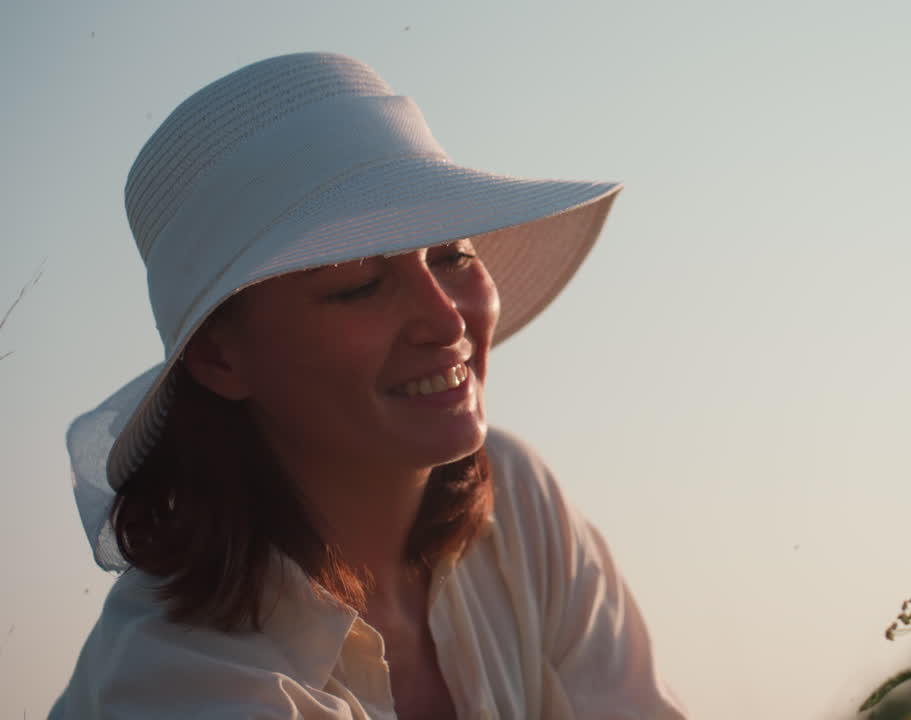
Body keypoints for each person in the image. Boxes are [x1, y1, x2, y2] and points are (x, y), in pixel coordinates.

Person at [52, 52, 686, 719]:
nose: (446, 320)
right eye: (359, 284)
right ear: (219, 357)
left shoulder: (520, 503)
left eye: (453, 254)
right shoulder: (180, 678)